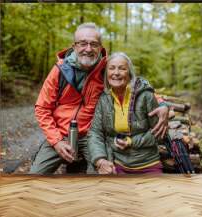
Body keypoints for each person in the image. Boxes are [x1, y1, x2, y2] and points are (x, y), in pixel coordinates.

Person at [30, 23, 169, 175]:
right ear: (74, 46)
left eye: (93, 44)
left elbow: (135, 85)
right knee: (35, 176)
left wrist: (162, 103)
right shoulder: (60, 70)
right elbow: (42, 108)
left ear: (100, 47)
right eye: (83, 43)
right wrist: (56, 141)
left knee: (101, 174)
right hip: (60, 133)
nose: (88, 49)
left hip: (91, 135)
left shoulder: (106, 68)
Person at [88, 52, 163, 174]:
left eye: (122, 68)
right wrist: (100, 159)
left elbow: (160, 134)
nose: (116, 73)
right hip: (118, 163)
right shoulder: (104, 99)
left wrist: (131, 142)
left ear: (129, 73)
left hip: (148, 163)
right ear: (107, 73)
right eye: (111, 68)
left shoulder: (146, 96)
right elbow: (95, 132)